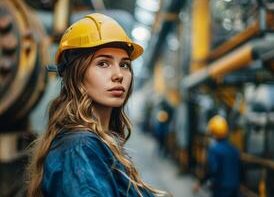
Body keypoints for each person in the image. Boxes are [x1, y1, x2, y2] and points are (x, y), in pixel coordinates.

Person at [27, 13, 165, 197]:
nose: (119, 75)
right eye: (103, 63)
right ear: (77, 76)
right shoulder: (81, 148)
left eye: (124, 65)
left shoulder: (98, 142)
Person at [193, 115, 241, 197]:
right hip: (234, 188)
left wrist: (200, 182)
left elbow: (213, 170)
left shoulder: (214, 150)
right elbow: (240, 169)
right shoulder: (234, 149)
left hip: (220, 189)